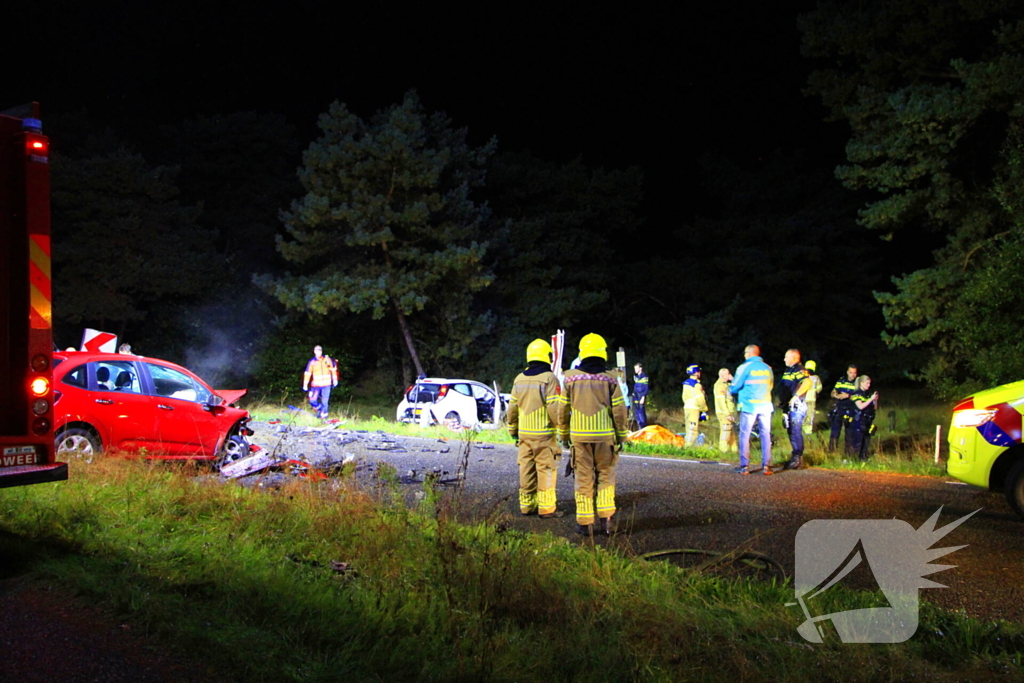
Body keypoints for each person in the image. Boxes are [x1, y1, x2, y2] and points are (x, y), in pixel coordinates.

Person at [555, 333, 629, 535]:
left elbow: (562, 410)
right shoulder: (611, 378)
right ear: (602, 352)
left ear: (582, 353)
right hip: (606, 439)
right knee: (605, 477)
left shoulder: (570, 378)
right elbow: (620, 411)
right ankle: (607, 521)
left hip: (579, 438)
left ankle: (585, 524)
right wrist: (622, 436)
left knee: (583, 479)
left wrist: (563, 436)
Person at [507, 339, 563, 518]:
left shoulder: (519, 379)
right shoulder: (549, 378)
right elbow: (554, 407)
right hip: (544, 435)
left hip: (524, 435)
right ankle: (546, 509)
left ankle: (526, 506)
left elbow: (512, 408)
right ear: (547, 356)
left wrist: (513, 430)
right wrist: (562, 429)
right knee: (545, 469)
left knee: (526, 469)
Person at [730, 345, 775, 475]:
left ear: (748, 353)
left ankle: (745, 466)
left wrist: (731, 389)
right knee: (765, 435)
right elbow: (770, 386)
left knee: (745, 434)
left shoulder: (744, 367)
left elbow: (734, 387)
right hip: (765, 405)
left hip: (749, 405)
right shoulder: (767, 368)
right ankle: (766, 466)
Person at [779, 349, 813, 470]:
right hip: (789, 406)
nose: (784, 359)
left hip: (796, 406)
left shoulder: (799, 369)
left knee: (795, 430)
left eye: (786, 357)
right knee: (791, 430)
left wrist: (796, 396)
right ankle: (795, 457)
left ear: (793, 358)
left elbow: (807, 382)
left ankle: (797, 458)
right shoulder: (790, 370)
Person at [302, 345, 339, 420]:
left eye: (320, 351)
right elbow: (308, 373)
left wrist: (335, 379)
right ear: (314, 352)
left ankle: (324, 417)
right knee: (312, 399)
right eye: (317, 351)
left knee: (325, 402)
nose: (318, 352)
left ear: (321, 351)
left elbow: (333, 369)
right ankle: (319, 409)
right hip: (316, 385)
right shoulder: (312, 362)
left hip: (326, 385)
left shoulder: (327, 360)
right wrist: (305, 384)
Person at [848, 375, 879, 460]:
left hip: (868, 420)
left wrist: (875, 400)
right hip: (859, 420)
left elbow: (874, 408)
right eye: (867, 383)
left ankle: (863, 458)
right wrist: (871, 399)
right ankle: (854, 459)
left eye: (869, 383)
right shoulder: (857, 393)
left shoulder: (868, 394)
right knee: (858, 441)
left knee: (866, 441)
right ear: (861, 383)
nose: (869, 385)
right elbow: (860, 406)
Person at [828, 365, 859, 451]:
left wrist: (848, 396)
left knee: (849, 433)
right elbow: (833, 391)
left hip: (851, 409)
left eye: (854, 373)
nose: (853, 375)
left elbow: (860, 396)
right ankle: (831, 451)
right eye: (851, 372)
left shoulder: (858, 382)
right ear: (847, 372)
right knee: (835, 431)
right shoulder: (841, 380)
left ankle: (848, 452)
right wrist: (836, 395)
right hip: (839, 408)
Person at [681, 364, 708, 446]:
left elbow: (684, 397)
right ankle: (689, 447)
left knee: (688, 428)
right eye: (698, 371)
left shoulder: (686, 383)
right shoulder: (696, 385)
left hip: (687, 407)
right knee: (693, 430)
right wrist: (704, 409)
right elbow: (700, 398)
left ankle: (687, 444)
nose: (699, 373)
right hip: (694, 408)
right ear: (696, 372)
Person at [713, 367, 737, 453]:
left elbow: (736, 388)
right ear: (723, 375)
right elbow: (721, 401)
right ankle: (723, 450)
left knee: (732, 433)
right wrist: (727, 414)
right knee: (726, 431)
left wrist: (733, 380)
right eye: (728, 374)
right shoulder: (719, 385)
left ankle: (734, 451)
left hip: (730, 411)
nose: (729, 375)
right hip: (724, 413)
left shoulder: (727, 384)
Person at [802, 360, 823, 436]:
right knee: (810, 414)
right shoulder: (816, 378)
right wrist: (816, 393)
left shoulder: (803, 376)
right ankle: (808, 430)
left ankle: (802, 428)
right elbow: (819, 388)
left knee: (803, 413)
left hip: (803, 399)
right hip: (812, 399)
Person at [632, 362, 649, 429]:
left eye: (636, 368)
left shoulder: (644, 377)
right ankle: (639, 427)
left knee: (641, 413)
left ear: (640, 368)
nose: (635, 370)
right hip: (636, 396)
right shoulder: (635, 377)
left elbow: (646, 388)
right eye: (634, 368)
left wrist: (643, 397)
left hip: (641, 396)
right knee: (637, 413)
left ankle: (643, 427)